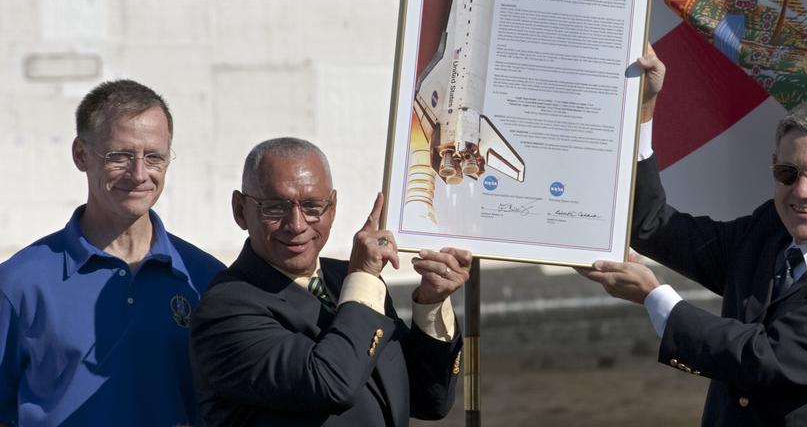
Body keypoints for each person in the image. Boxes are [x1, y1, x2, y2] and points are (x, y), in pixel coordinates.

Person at [581, 50, 807, 425]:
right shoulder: (768, 229)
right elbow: (652, 226)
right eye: (787, 173)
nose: (802, 191)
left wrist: (655, 298)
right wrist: (644, 107)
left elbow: (768, 358)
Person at [189, 137, 465, 426]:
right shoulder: (226, 309)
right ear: (240, 210)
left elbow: (428, 400)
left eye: (312, 207)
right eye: (275, 207)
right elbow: (330, 384)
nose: (296, 225)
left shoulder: (347, 280)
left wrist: (431, 303)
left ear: (332, 208)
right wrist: (364, 278)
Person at [0, 79, 224, 427]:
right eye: (119, 156)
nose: (139, 174)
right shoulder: (18, 284)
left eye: (154, 157)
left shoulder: (206, 279)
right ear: (80, 154)